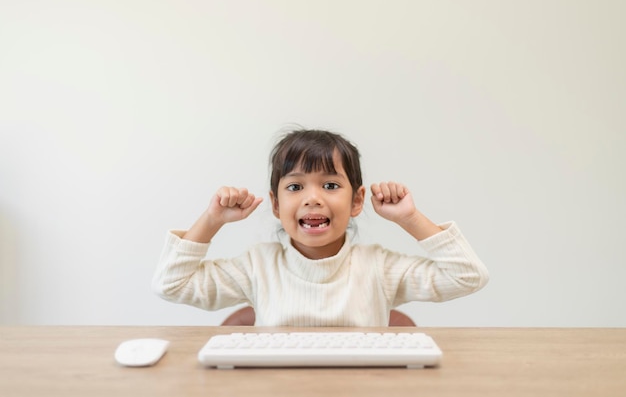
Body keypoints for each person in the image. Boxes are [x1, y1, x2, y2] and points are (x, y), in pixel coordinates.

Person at [152, 128, 489, 326]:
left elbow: (468, 276)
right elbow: (171, 285)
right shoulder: (257, 267)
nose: (312, 199)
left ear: (357, 201)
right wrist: (211, 221)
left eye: (329, 185)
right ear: (275, 204)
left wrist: (409, 218)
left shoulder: (379, 268)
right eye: (296, 187)